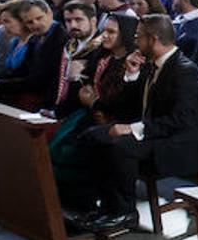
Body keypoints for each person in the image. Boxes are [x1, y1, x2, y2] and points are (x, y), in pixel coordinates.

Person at [75, 15, 198, 232]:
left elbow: (181, 120)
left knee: (118, 146)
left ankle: (124, 212)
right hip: (155, 131)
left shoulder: (184, 71)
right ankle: (105, 204)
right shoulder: (149, 65)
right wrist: (131, 75)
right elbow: (126, 107)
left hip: (178, 141)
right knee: (91, 135)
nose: (135, 42)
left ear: (153, 39)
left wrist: (133, 129)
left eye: (138, 37)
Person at [49, 13, 141, 211]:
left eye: (111, 32)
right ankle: (61, 203)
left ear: (125, 34)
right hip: (89, 113)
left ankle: (83, 204)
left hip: (114, 119)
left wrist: (94, 101)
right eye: (103, 31)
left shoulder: (133, 63)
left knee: (75, 151)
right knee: (57, 145)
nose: (104, 36)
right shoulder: (102, 57)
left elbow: (124, 104)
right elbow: (87, 85)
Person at [0, 0, 65, 110]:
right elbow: (21, 71)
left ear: (49, 13)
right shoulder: (36, 38)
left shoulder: (61, 39)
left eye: (39, 18)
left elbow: (40, 79)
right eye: (30, 22)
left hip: (48, 99)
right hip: (33, 90)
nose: (35, 24)